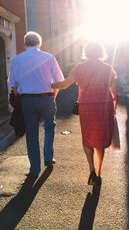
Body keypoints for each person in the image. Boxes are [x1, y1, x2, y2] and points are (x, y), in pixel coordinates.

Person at [52, 42, 117, 187]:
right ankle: (98, 174)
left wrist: (50, 85)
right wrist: (114, 108)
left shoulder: (80, 68)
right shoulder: (108, 69)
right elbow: (114, 91)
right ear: (101, 52)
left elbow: (64, 85)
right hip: (104, 106)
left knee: (87, 138)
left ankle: (91, 170)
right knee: (100, 140)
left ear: (86, 52)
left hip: (86, 107)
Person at [8, 31, 64, 177]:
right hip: (46, 98)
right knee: (49, 127)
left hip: (26, 100)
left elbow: (12, 85)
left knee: (31, 133)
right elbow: (58, 82)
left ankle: (34, 169)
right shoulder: (49, 58)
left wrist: (21, 96)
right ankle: (48, 158)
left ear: (25, 43)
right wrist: (53, 97)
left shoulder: (17, 60)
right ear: (39, 43)